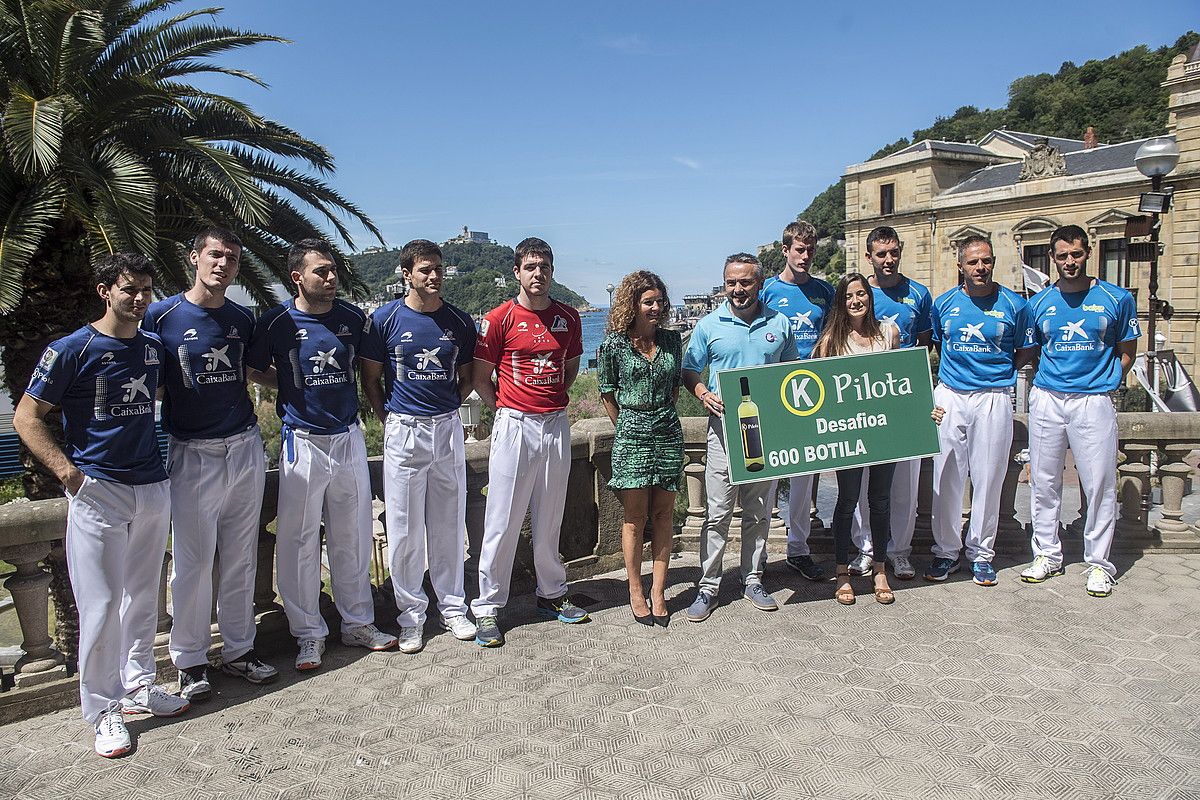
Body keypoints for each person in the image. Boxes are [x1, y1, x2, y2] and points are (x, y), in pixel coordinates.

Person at [14, 253, 188, 758]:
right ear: (104, 291)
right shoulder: (71, 349)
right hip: (99, 492)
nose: (139, 299)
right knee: (101, 603)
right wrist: (69, 474)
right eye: (129, 289)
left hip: (152, 486)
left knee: (142, 597)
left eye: (146, 291)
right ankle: (102, 709)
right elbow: (27, 417)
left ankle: (138, 687)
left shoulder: (154, 349)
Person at [246, 238, 398, 671]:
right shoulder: (275, 322)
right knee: (297, 541)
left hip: (348, 437)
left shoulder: (353, 317)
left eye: (333, 271)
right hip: (303, 441)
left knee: (353, 533)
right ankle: (309, 634)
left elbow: (369, 370)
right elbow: (252, 367)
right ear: (297, 277)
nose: (330, 279)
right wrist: (290, 385)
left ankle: (357, 623)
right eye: (321, 272)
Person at [143, 228, 278, 702]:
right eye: (216, 255)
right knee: (193, 562)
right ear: (194, 258)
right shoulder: (161, 317)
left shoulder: (243, 318)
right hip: (192, 452)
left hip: (243, 445)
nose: (224, 265)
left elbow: (256, 370)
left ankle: (239, 651)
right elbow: (146, 383)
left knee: (241, 556)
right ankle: (191, 661)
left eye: (233, 259)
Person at [361, 239, 478, 654]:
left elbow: (466, 376)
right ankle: (410, 616)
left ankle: (452, 608)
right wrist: (390, 419)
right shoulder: (384, 320)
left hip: (446, 427)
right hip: (404, 428)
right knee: (405, 529)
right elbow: (371, 380)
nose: (433, 276)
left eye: (438, 269)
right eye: (425, 269)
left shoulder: (460, 321)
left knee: (448, 524)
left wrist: (448, 408)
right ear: (406, 273)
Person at [471, 237, 588, 647]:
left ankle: (552, 594)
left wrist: (549, 402)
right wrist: (504, 407)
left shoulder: (569, 318)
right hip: (514, 425)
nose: (538, 273)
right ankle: (487, 607)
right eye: (531, 266)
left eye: (545, 266)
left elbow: (569, 369)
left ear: (552, 271)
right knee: (501, 517)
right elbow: (480, 376)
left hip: (555, 423)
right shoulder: (499, 317)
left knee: (550, 514)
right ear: (517, 272)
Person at [681, 253, 798, 622]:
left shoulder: (779, 324)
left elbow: (792, 374)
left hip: (767, 433)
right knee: (716, 513)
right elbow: (689, 369)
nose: (737, 289)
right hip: (721, 432)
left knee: (759, 512)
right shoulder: (709, 324)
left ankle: (753, 579)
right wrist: (702, 392)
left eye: (745, 282)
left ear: (759, 283)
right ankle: (709, 585)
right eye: (731, 282)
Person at [1022, 225, 1138, 597]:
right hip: (1047, 398)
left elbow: (1127, 350)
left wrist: (1105, 381)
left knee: (1100, 483)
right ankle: (1047, 555)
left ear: (1088, 253)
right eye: (1062, 256)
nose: (1069, 262)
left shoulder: (1116, 298)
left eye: (1076, 254)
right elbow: (1034, 352)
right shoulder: (1038, 303)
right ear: (1053, 258)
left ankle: (1100, 564)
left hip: (1093, 402)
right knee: (1043, 480)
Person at [927, 235, 1035, 586]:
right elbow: (940, 347)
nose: (980, 267)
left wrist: (995, 373)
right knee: (946, 476)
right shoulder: (943, 304)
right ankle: (945, 552)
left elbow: (1024, 351)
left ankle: (982, 554)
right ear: (961, 265)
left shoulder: (1016, 306)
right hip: (951, 394)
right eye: (973, 262)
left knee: (989, 476)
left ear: (993, 262)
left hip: (993, 395)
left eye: (986, 260)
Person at [598, 270, 683, 627]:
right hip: (631, 433)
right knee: (635, 518)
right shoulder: (613, 344)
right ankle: (635, 589)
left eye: (659, 301)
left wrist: (660, 417)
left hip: (667, 431)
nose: (655, 307)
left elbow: (676, 387)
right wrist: (629, 426)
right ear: (632, 304)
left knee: (664, 515)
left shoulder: (672, 341)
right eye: (648, 302)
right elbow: (607, 392)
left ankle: (660, 590)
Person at [810, 272, 900, 605]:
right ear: (841, 302)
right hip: (849, 435)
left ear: (870, 297)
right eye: (848, 296)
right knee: (846, 502)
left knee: (880, 501)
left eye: (861, 294)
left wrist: (923, 412)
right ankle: (842, 572)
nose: (856, 301)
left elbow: (902, 384)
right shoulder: (830, 341)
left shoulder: (889, 334)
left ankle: (879, 569)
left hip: (884, 430)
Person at [849, 226, 933, 580]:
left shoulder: (920, 293)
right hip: (862, 404)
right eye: (881, 254)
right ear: (869, 257)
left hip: (903, 402)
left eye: (893, 252)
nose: (888, 259)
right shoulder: (859, 294)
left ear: (900, 252)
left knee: (903, 487)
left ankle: (899, 552)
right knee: (866, 484)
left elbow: (926, 345)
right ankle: (866, 548)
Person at [760, 220, 835, 582]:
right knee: (768, 480)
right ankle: (757, 555)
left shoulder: (825, 291)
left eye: (810, 250)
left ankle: (798, 551)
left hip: (812, 391)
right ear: (785, 250)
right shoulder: (768, 291)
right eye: (799, 250)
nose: (805, 256)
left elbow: (834, 333)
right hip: (774, 393)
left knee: (805, 480)